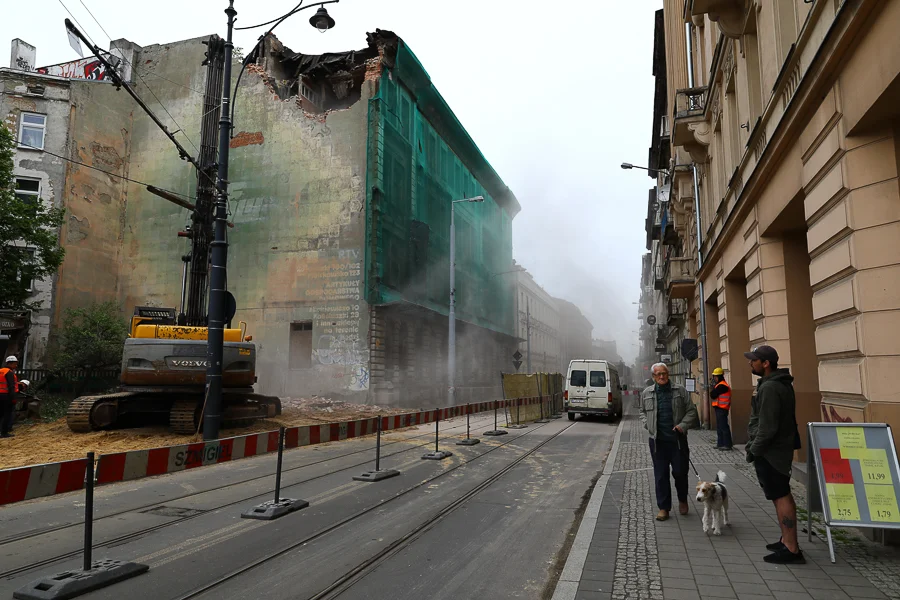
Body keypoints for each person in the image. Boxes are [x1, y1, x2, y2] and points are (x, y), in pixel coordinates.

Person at [743, 345, 804, 564]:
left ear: (766, 363)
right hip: (776, 449)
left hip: (772, 452)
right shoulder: (779, 384)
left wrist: (753, 450)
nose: (751, 363)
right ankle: (786, 539)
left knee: (780, 494)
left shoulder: (770, 388)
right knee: (780, 494)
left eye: (754, 360)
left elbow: (767, 427)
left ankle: (791, 547)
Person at [640, 362, 698, 521]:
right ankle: (664, 508)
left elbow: (691, 411)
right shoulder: (647, 393)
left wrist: (683, 425)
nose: (661, 376)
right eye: (658, 374)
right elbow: (642, 412)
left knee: (680, 473)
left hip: (677, 441)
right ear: (653, 377)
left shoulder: (680, 391)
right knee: (660, 475)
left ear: (668, 374)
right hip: (657, 442)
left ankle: (682, 499)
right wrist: (647, 423)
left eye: (664, 373)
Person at [1, 355, 27, 438]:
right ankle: (4, 432)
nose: (16, 366)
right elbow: (11, 386)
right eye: (15, 364)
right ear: (11, 363)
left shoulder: (1, 371)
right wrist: (13, 398)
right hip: (6, 396)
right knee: (7, 414)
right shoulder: (9, 373)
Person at [709, 367, 733, 451]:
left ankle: (727, 444)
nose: (714, 378)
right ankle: (720, 444)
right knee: (720, 427)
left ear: (719, 376)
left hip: (722, 408)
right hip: (720, 408)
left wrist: (713, 388)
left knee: (723, 426)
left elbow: (713, 394)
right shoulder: (719, 385)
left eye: (715, 376)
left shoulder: (722, 385)